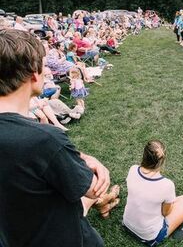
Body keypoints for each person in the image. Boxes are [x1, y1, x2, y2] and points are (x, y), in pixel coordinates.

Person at [0, 29, 120, 247]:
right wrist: (93, 164)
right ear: (34, 75)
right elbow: (92, 188)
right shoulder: (44, 140)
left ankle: (106, 203)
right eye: (44, 65)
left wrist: (80, 156)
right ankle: (107, 202)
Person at [123, 140, 183, 245]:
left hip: (127, 224)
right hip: (149, 236)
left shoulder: (133, 169)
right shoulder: (167, 185)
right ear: (162, 160)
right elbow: (165, 213)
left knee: (173, 201)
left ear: (144, 155)